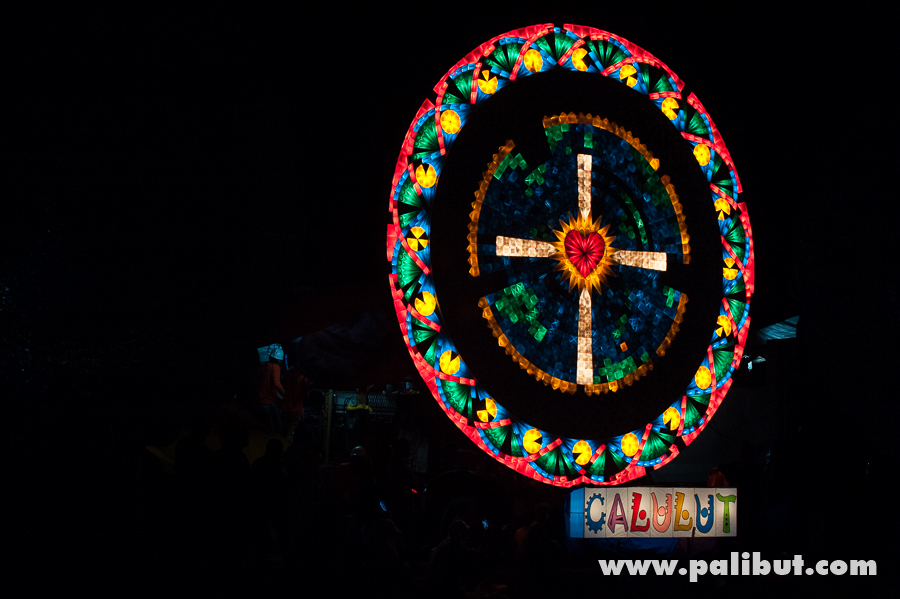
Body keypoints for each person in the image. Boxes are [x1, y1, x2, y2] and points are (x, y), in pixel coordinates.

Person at [256, 347, 284, 433]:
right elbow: (276, 383)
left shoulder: (265, 366)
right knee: (275, 426)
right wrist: (285, 393)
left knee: (267, 426)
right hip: (270, 401)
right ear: (279, 360)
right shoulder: (276, 367)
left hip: (262, 399)